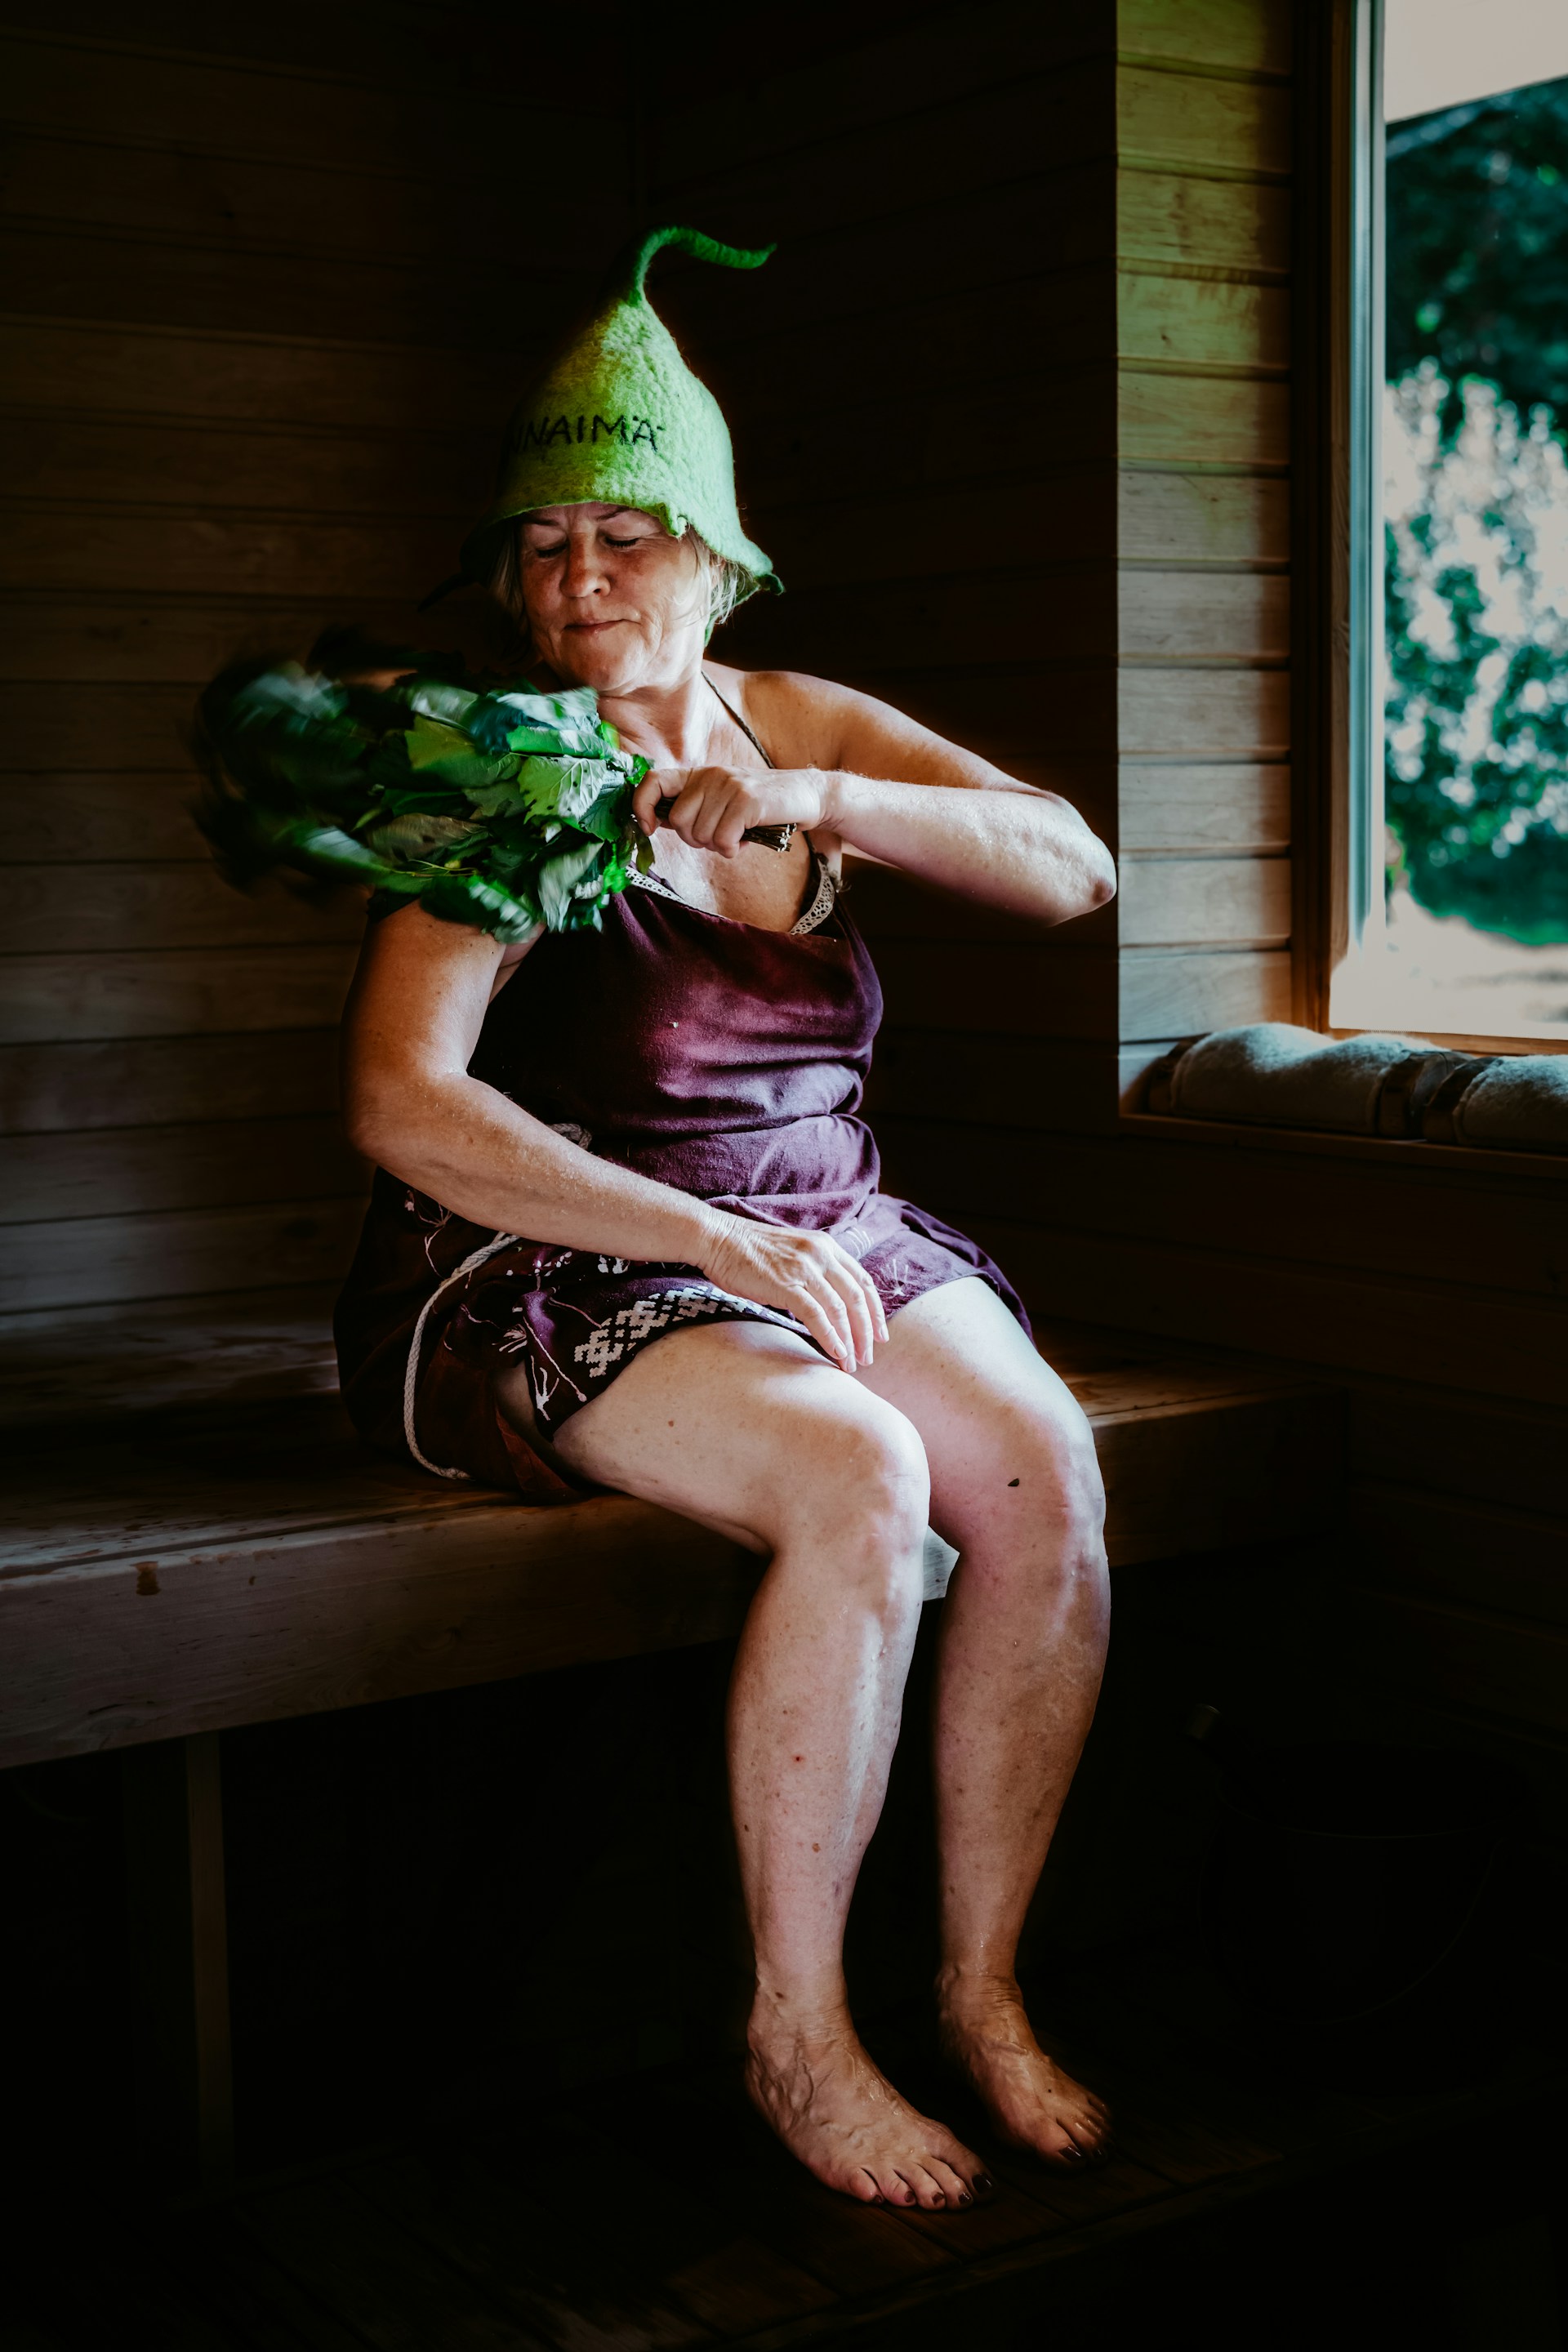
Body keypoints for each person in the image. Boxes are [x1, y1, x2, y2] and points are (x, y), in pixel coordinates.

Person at [334, 227, 1117, 2212]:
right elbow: (401, 1103)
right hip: (538, 1253)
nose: (575, 579)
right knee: (859, 1469)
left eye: (622, 533)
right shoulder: (501, 782)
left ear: (717, 555)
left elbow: (1067, 865)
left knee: (1038, 1466)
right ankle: (795, 2027)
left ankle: (979, 1983)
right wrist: (697, 1246)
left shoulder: (797, 723)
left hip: (815, 1216)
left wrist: (823, 810)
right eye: (539, 544)